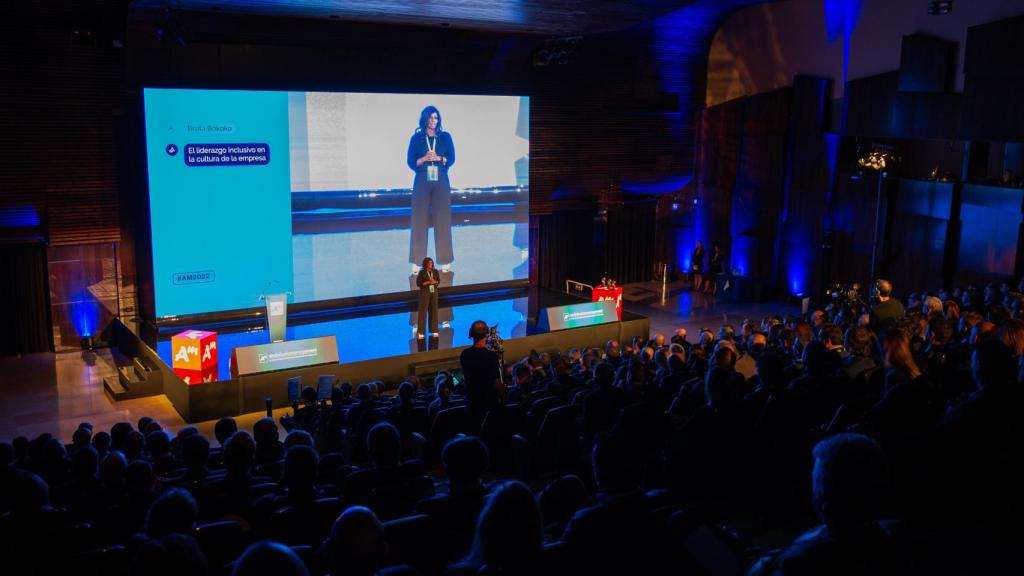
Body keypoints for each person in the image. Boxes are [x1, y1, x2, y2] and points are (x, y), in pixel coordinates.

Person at [408, 105, 455, 273]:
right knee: (419, 219)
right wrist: (424, 158)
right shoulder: (417, 138)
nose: (433, 121)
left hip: (441, 178)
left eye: (436, 118)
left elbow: (452, 158)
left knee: (443, 218)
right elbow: (411, 161)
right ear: (425, 119)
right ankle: (416, 261)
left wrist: (440, 158)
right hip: (422, 178)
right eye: (430, 118)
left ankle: (445, 260)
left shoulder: (445, 137)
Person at [459, 320, 503, 433]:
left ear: (471, 334)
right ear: (487, 334)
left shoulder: (464, 354)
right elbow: (497, 381)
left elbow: (461, 377)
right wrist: (504, 397)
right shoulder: (492, 356)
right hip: (490, 404)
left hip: (473, 404)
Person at [416, 257, 441, 339]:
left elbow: (438, 281)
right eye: (429, 262)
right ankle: (421, 332)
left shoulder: (435, 271)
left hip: (434, 292)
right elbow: (418, 283)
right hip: (425, 293)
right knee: (423, 312)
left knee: (434, 311)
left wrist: (435, 282)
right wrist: (427, 282)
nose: (431, 264)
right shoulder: (422, 272)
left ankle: (434, 330)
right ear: (425, 264)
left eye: (432, 262)